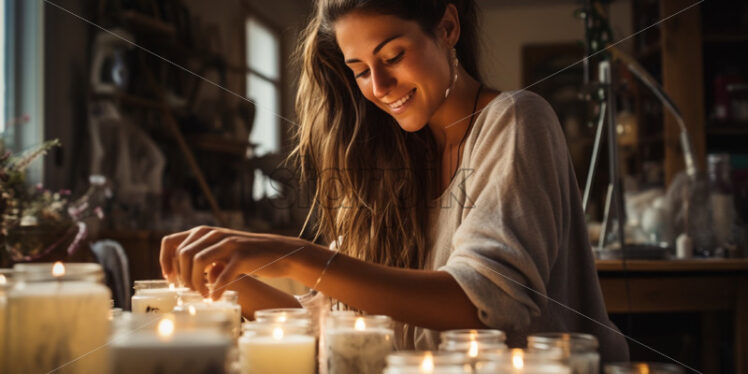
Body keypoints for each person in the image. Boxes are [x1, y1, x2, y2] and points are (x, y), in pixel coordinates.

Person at [159, 0, 629, 362]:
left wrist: (293, 254)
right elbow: (332, 325)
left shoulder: (516, 121)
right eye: (360, 70)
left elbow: (483, 304)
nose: (378, 87)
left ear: (448, 27)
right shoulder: (393, 161)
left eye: (393, 55)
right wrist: (225, 276)